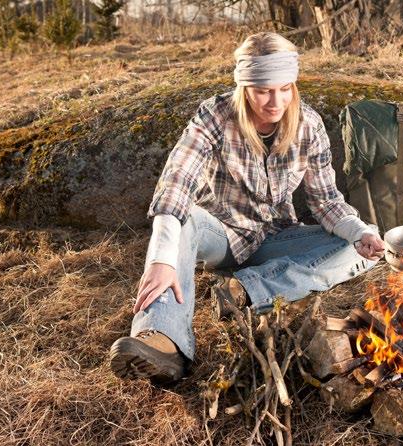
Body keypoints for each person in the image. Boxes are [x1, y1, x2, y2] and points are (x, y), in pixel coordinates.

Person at [109, 32, 385, 384]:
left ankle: (243, 290)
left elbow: (326, 201)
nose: (276, 101)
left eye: (285, 88)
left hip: (276, 237)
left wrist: (359, 233)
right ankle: (163, 339)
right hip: (222, 235)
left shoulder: (309, 125)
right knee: (186, 219)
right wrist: (163, 258)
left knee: (360, 246)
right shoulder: (214, 116)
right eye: (264, 90)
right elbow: (176, 184)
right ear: (245, 86)